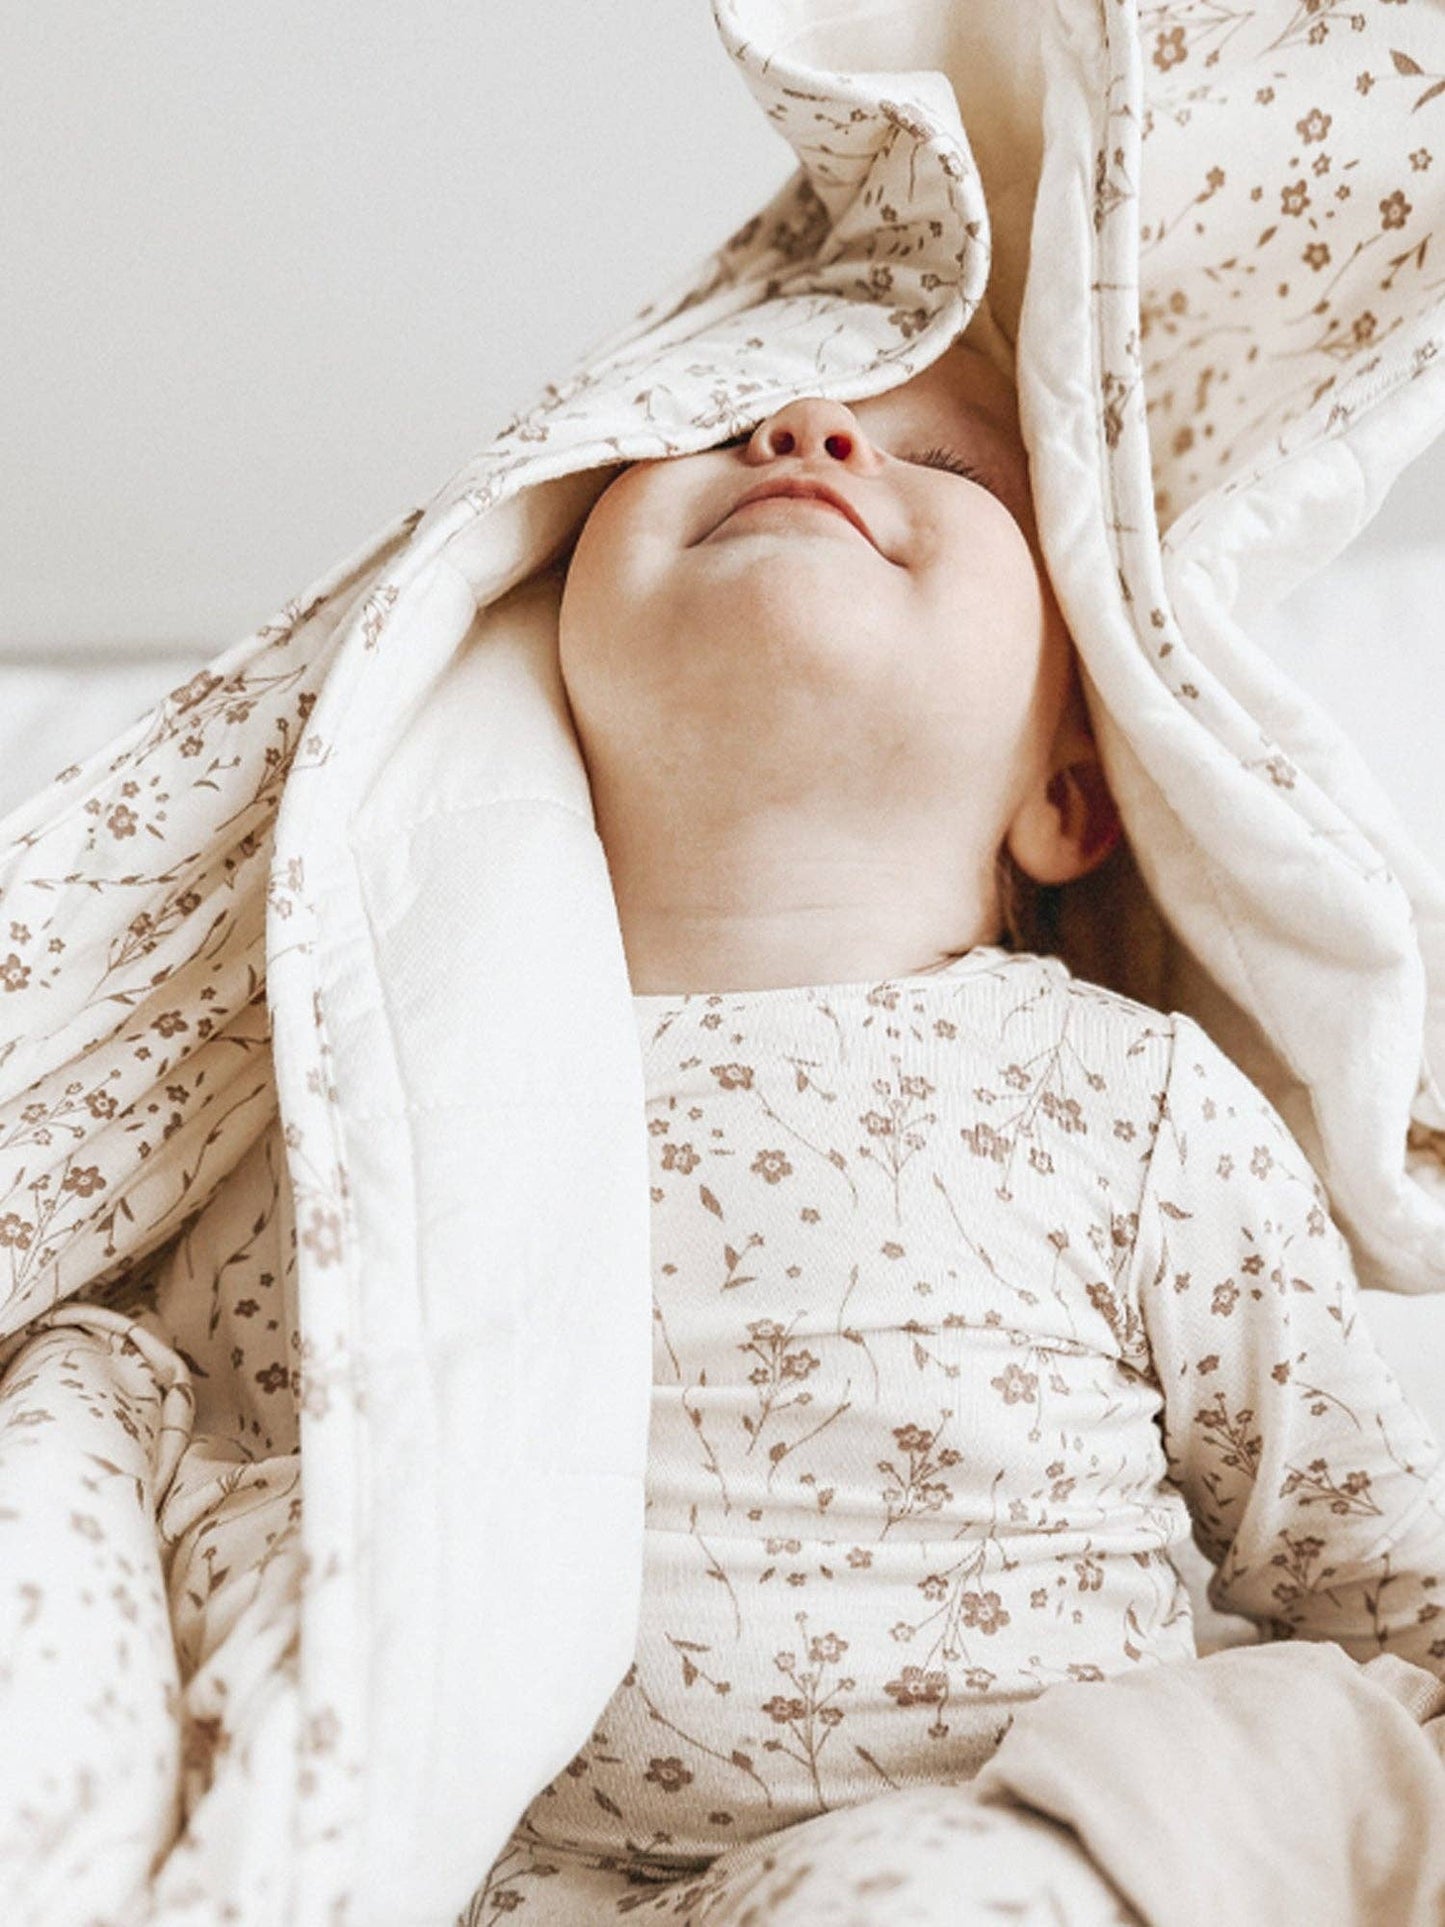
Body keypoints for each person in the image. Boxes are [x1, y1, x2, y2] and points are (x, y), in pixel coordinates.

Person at [459, 338, 1445, 1924]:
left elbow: (1377, 1576)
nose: (807, 426)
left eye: (945, 468)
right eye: (722, 422)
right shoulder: (408, 1059)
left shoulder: (1129, 1099)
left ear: (1066, 801)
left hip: (1007, 1842)